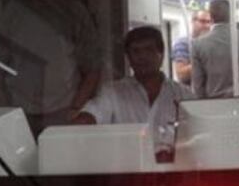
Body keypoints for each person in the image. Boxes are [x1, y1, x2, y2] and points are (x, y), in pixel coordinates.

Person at [0, 0, 101, 136]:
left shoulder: (75, 12)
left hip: (63, 109)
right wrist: (6, 108)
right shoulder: (12, 13)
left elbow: (93, 69)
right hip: (20, 109)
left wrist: (75, 108)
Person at [73, 26, 192, 162]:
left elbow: (199, 135)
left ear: (161, 54)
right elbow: (90, 116)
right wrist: (76, 124)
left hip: (175, 173)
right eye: (136, 51)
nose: (142, 57)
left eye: (149, 50)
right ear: (128, 58)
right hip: (128, 174)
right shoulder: (112, 93)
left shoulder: (184, 95)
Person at [192, 0, 239, 98]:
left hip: (215, 106)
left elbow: (198, 85)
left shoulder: (198, 44)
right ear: (231, 15)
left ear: (211, 16)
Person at [171, 10, 213, 86]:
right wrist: (207, 61)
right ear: (193, 22)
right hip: (191, 95)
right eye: (203, 21)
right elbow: (181, 75)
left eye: (209, 22)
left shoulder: (211, 43)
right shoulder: (183, 43)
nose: (207, 26)